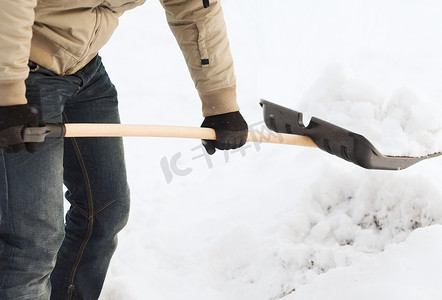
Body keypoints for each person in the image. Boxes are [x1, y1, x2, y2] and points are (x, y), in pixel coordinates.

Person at [0, 0, 248, 299]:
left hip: (84, 69)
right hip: (17, 65)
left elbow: (194, 6)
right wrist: (8, 92)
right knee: (32, 240)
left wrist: (220, 100)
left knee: (105, 211)